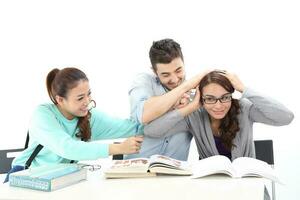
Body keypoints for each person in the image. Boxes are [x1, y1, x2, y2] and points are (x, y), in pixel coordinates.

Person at [4, 67, 143, 183]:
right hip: (26, 176)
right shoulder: (43, 114)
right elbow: (67, 148)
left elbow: (131, 127)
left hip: (62, 179)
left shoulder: (89, 116)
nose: (87, 101)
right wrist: (117, 148)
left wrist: (160, 118)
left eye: (89, 94)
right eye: (80, 98)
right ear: (60, 100)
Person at [144, 70, 294, 161]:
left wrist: (244, 89)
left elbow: (286, 117)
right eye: (210, 99)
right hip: (212, 188)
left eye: (225, 97)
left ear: (231, 95)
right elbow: (151, 131)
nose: (218, 105)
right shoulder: (194, 116)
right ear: (201, 98)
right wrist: (189, 108)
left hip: (247, 185)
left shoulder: (245, 109)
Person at [125, 39, 204, 160]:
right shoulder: (143, 81)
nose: (175, 79)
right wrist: (184, 88)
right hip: (137, 167)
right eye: (166, 75)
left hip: (173, 172)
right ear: (154, 71)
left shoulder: (196, 94)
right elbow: (143, 115)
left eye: (179, 70)